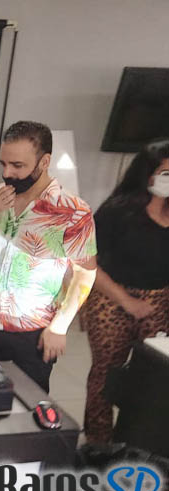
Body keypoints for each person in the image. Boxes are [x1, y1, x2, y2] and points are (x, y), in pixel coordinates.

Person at [0, 121, 97, 392]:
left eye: (18, 165)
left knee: (27, 401)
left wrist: (59, 326)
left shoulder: (73, 211)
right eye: (4, 164)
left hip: (33, 331)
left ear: (44, 162)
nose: (7, 173)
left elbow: (85, 273)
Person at [81, 140, 169, 444]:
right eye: (166, 173)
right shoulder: (118, 211)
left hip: (158, 303)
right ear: (148, 174)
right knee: (107, 374)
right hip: (111, 301)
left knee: (153, 376)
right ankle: (99, 445)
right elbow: (86, 262)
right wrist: (126, 301)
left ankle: (135, 441)